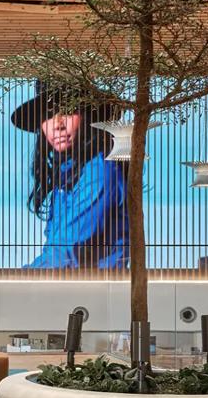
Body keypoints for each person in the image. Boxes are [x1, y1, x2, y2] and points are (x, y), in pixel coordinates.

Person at [12, 81, 128, 269]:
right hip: (71, 283)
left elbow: (64, 254)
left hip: (92, 285)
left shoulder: (99, 173)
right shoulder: (68, 177)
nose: (57, 124)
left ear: (87, 116)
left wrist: (15, 279)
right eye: (48, 115)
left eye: (67, 111)